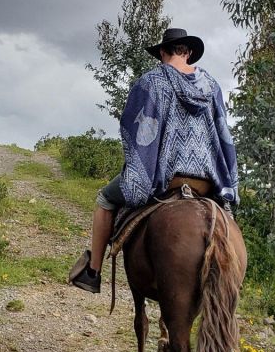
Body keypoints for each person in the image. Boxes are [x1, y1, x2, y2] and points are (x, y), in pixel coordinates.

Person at [69, 27, 239, 293]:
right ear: (189, 52)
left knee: (105, 199)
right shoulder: (212, 86)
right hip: (207, 182)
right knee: (226, 224)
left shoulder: (151, 82)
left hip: (167, 177)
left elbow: (138, 131)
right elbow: (223, 133)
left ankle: (93, 272)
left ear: (162, 52)